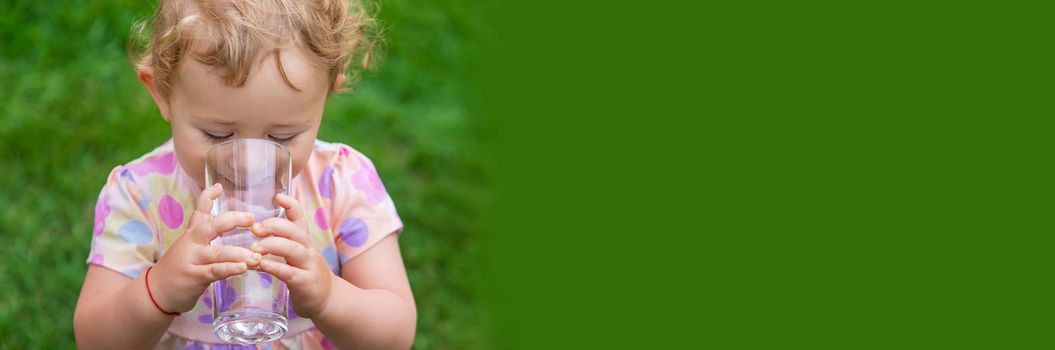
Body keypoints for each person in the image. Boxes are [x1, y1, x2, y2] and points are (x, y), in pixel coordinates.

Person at [73, 1, 416, 348]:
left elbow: (395, 334)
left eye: (282, 137)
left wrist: (329, 298)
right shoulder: (140, 194)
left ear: (325, 95)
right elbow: (94, 339)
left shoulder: (340, 183)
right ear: (161, 92)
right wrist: (157, 290)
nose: (250, 164)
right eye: (218, 134)